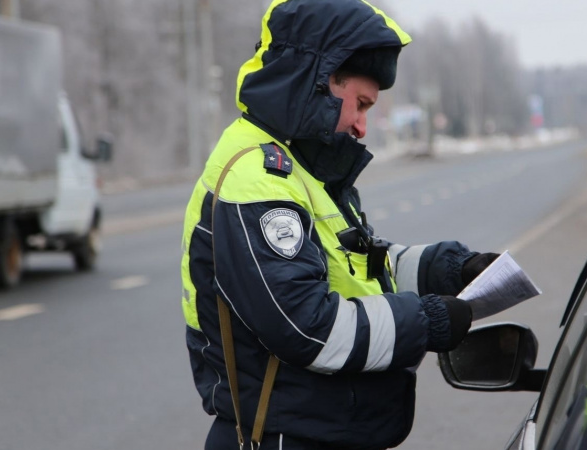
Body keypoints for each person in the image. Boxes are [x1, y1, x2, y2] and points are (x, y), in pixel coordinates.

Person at [180, 1, 499, 448]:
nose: (363, 126)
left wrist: (448, 270)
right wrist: (425, 323)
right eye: (362, 104)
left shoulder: (298, 165)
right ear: (321, 82)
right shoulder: (257, 177)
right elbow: (309, 326)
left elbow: (349, 270)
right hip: (281, 439)